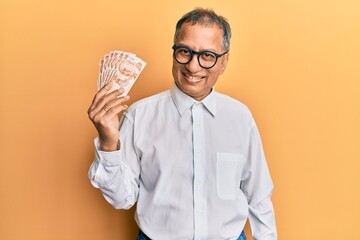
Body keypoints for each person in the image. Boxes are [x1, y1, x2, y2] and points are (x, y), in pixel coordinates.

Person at [87, 8, 277, 240]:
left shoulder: (240, 118)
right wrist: (108, 143)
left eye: (207, 55)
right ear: (174, 50)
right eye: (185, 51)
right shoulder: (139, 116)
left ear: (224, 61)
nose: (193, 67)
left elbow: (258, 197)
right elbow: (121, 199)